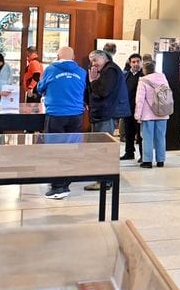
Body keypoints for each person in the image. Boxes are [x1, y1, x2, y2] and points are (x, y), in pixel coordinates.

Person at [37, 46, 87, 199]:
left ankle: (58, 186)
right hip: (76, 115)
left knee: (55, 149)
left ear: (58, 56)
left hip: (56, 114)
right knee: (71, 149)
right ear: (73, 57)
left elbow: (40, 88)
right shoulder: (82, 72)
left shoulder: (51, 70)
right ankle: (66, 182)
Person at [84, 49, 131, 191]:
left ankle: (104, 181)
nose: (93, 64)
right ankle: (102, 178)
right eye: (91, 60)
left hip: (106, 113)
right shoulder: (106, 70)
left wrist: (93, 81)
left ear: (104, 58)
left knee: (104, 148)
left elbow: (103, 91)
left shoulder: (110, 71)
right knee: (101, 147)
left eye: (95, 60)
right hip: (102, 112)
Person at [134, 60, 171, 168]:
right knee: (161, 137)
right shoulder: (163, 78)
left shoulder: (143, 81)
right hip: (162, 113)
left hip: (147, 115)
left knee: (147, 138)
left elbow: (139, 99)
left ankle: (147, 161)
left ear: (144, 70)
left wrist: (137, 115)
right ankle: (160, 160)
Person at [121, 53, 143, 162]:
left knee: (140, 133)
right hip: (128, 108)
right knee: (128, 132)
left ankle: (143, 155)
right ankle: (129, 152)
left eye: (138, 61)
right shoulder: (125, 75)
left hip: (139, 109)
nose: (136, 64)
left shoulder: (144, 75)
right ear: (130, 63)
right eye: (133, 62)